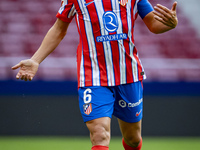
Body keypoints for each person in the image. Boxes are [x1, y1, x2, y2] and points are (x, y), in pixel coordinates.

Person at [12, 0, 178, 150]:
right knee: (100, 134)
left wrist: (171, 24)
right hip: (93, 76)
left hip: (128, 75)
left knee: (133, 139)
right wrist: (36, 60)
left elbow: (154, 24)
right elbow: (58, 28)